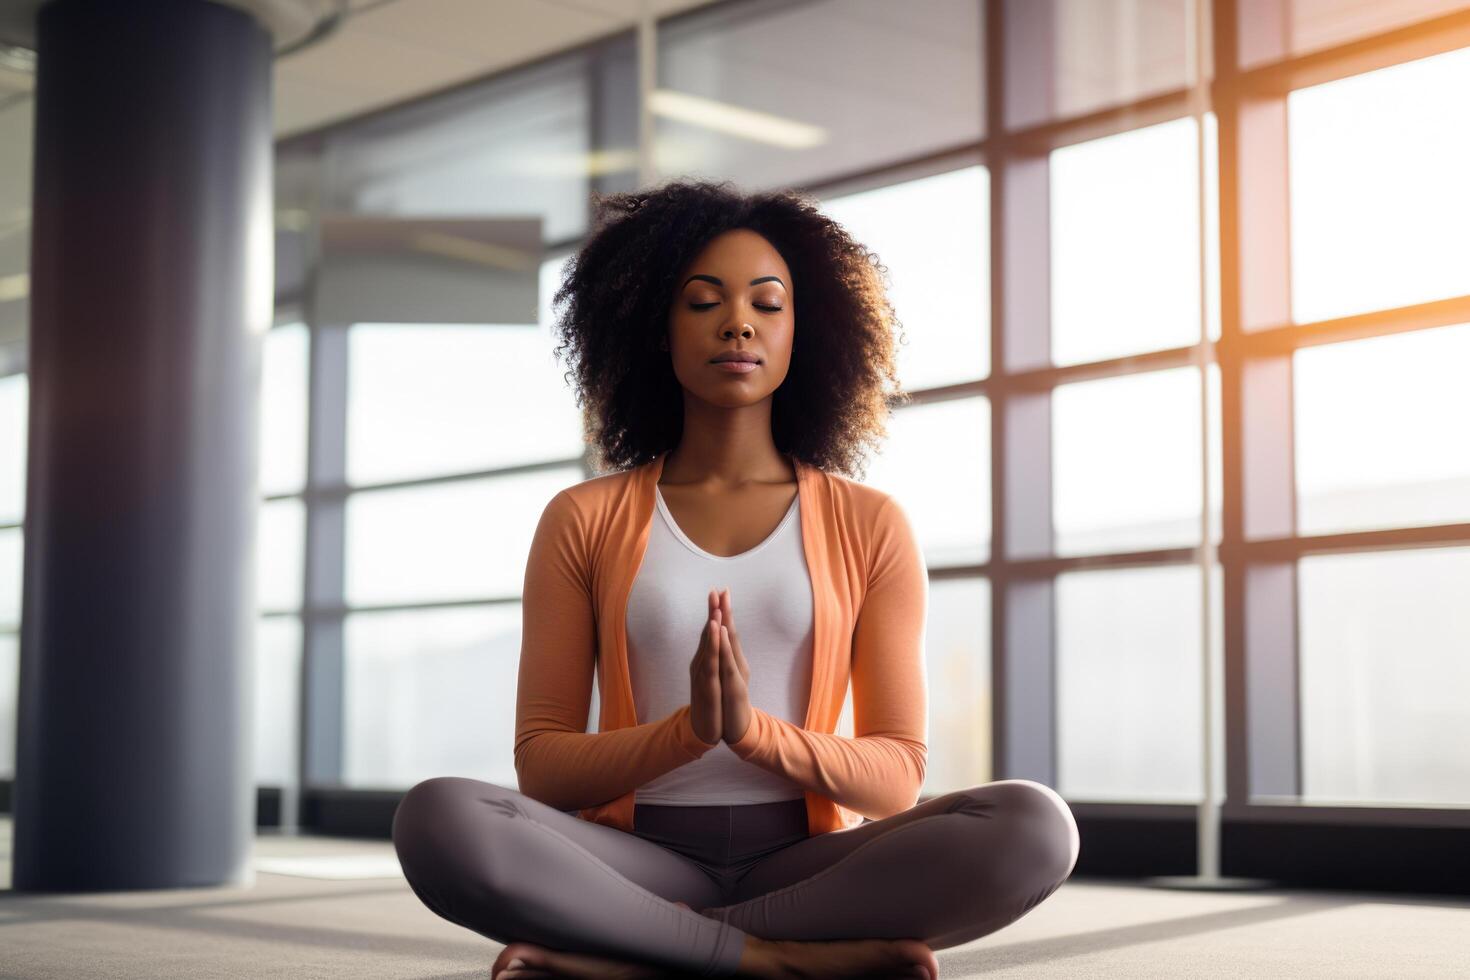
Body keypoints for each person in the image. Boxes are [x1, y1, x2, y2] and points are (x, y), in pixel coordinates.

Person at [391, 178, 1080, 979]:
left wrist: (753, 733)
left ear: (803, 331)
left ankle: (647, 950)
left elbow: (896, 779)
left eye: (767, 302)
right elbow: (542, 766)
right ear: (657, 327)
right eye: (702, 301)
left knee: (1035, 824)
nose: (737, 322)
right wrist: (684, 734)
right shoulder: (582, 518)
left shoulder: (870, 522)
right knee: (438, 817)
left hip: (806, 864)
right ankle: (767, 960)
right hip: (631, 855)